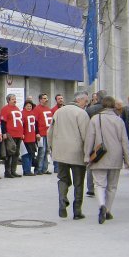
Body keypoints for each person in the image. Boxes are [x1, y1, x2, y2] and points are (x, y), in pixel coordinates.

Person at [83, 96, 129, 224]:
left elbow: (90, 139)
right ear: (114, 106)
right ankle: (108, 210)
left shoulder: (95, 119)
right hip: (115, 156)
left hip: (99, 155)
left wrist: (87, 156)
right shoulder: (118, 120)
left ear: (103, 105)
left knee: (99, 184)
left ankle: (101, 205)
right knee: (112, 186)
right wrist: (128, 160)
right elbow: (124, 141)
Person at [48, 91, 90, 220]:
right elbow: (86, 135)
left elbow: (50, 131)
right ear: (80, 100)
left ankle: (62, 200)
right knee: (78, 182)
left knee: (63, 178)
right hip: (77, 152)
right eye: (86, 101)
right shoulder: (81, 114)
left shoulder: (58, 111)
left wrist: (52, 148)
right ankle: (77, 211)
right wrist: (88, 153)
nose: (86, 104)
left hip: (60, 151)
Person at [85, 90, 107, 196]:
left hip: (92, 139)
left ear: (96, 98)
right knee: (106, 162)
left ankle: (91, 188)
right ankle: (103, 185)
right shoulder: (110, 110)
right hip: (106, 139)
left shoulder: (90, 109)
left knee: (91, 162)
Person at [0, 94, 23, 178]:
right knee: (9, 153)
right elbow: (3, 122)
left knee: (16, 153)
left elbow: (20, 121)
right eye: (13, 99)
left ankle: (14, 171)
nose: (15, 100)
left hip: (18, 134)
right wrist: (4, 133)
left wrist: (22, 133)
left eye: (15, 99)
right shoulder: (5, 109)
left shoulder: (17, 109)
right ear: (8, 100)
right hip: (10, 135)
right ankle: (7, 171)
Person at [33, 93, 52, 175]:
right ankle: (38, 169)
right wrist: (37, 133)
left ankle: (45, 168)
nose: (46, 100)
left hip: (48, 133)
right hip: (41, 133)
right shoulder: (37, 109)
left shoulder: (48, 109)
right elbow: (35, 122)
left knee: (46, 151)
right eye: (44, 98)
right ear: (40, 99)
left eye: (46, 98)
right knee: (41, 151)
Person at [21, 99, 38, 176]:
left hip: (32, 137)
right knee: (26, 154)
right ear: (24, 106)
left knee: (31, 154)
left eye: (30, 106)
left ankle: (29, 169)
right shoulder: (22, 114)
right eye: (27, 106)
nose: (29, 107)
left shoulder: (33, 113)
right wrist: (22, 133)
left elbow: (36, 125)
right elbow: (21, 125)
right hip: (26, 137)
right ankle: (26, 170)